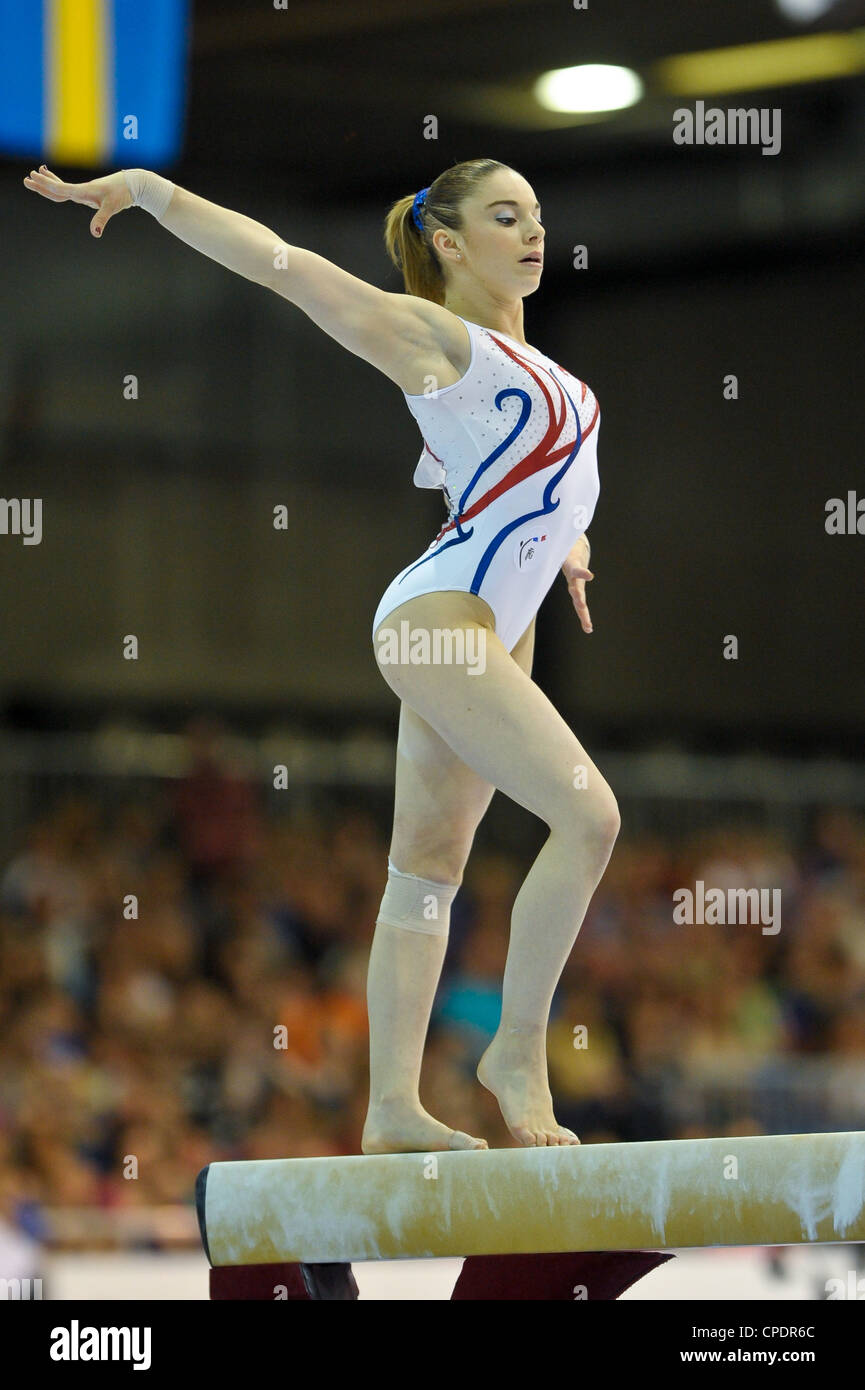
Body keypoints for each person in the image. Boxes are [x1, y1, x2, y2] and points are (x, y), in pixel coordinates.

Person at [23, 157, 620, 1153]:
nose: (532, 233)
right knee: (590, 816)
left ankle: (390, 1106)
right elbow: (284, 265)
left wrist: (571, 547)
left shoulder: (548, 373)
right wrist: (152, 194)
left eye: (538, 216)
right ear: (447, 241)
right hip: (445, 614)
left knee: (426, 869)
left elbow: (532, 488)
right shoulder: (436, 341)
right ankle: (515, 1048)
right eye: (505, 217)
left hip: (485, 620)